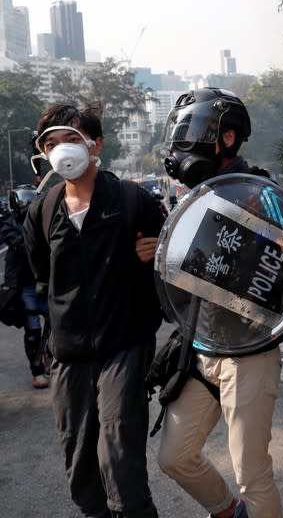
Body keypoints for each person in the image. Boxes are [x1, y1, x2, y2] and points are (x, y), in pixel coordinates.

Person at [154, 87, 283, 518]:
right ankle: (228, 512)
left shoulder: (261, 194)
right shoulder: (194, 199)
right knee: (174, 455)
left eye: (193, 133)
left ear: (227, 138)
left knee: (252, 474)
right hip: (203, 349)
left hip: (249, 354)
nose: (182, 145)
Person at [23, 104, 165, 517]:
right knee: (81, 471)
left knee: (120, 460)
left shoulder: (131, 199)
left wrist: (156, 254)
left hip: (124, 345)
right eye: (51, 144)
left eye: (71, 139)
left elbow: (170, 263)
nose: (61, 150)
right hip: (69, 355)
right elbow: (42, 276)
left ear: (95, 143)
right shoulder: (42, 211)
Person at [0, 185, 49, 388]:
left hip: (46, 282)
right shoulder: (8, 224)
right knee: (32, 329)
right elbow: (18, 243)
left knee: (58, 322)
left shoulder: (44, 221)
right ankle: (37, 370)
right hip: (26, 286)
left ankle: (48, 356)